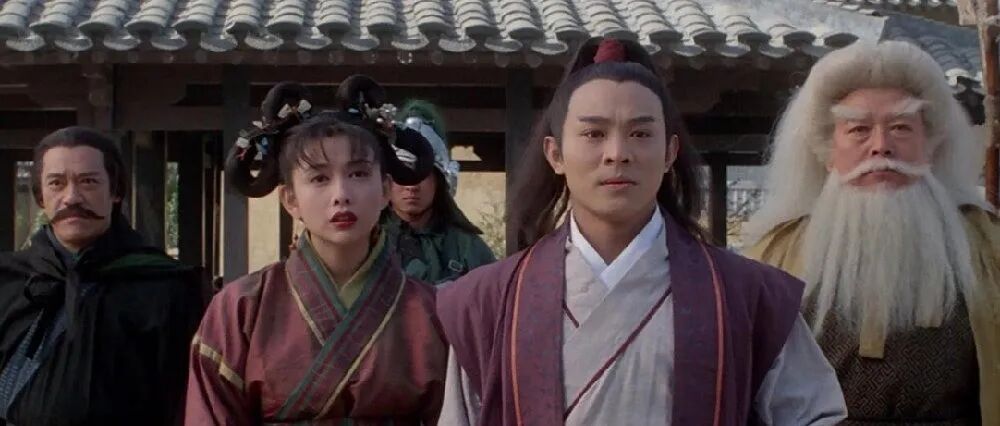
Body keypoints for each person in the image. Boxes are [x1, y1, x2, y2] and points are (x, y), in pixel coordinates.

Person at [435, 37, 847, 425]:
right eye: (594, 134)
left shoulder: (749, 296)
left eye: (640, 134)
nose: (618, 153)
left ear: (669, 153)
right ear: (555, 153)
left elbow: (815, 415)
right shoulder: (487, 303)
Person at [743, 40, 1000, 425]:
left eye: (901, 127)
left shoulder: (986, 248)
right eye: (859, 130)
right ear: (827, 150)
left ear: (930, 144)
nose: (881, 147)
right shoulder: (775, 254)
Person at [185, 76, 448, 424]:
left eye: (358, 174)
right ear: (290, 199)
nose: (341, 195)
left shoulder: (433, 312)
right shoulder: (240, 309)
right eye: (319, 178)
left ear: (386, 189)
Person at [0, 127, 204, 425]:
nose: (71, 197)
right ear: (41, 196)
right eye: (56, 183)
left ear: (116, 192)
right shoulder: (9, 279)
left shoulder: (166, 287)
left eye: (89, 182)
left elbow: (188, 403)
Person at [382, 100, 496, 284]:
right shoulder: (363, 240)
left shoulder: (469, 248)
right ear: (386, 179)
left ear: (440, 181)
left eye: (423, 174)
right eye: (403, 172)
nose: (411, 185)